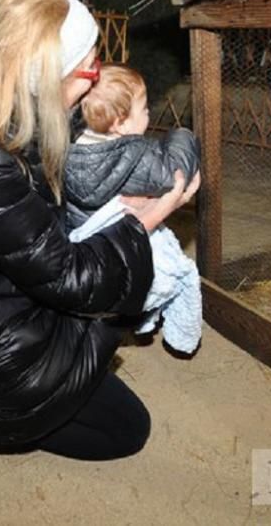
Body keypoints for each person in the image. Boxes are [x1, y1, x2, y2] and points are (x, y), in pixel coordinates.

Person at [0, 0, 200, 477]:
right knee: (127, 431)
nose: (94, 79)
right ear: (46, 74)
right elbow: (71, 278)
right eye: (89, 68)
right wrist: (149, 215)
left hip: (9, 305)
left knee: (103, 338)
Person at [63, 64, 203, 354]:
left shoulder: (70, 147)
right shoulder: (131, 155)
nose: (149, 114)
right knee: (179, 274)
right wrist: (184, 135)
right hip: (122, 256)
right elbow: (172, 173)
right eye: (144, 108)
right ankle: (179, 333)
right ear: (121, 124)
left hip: (89, 249)